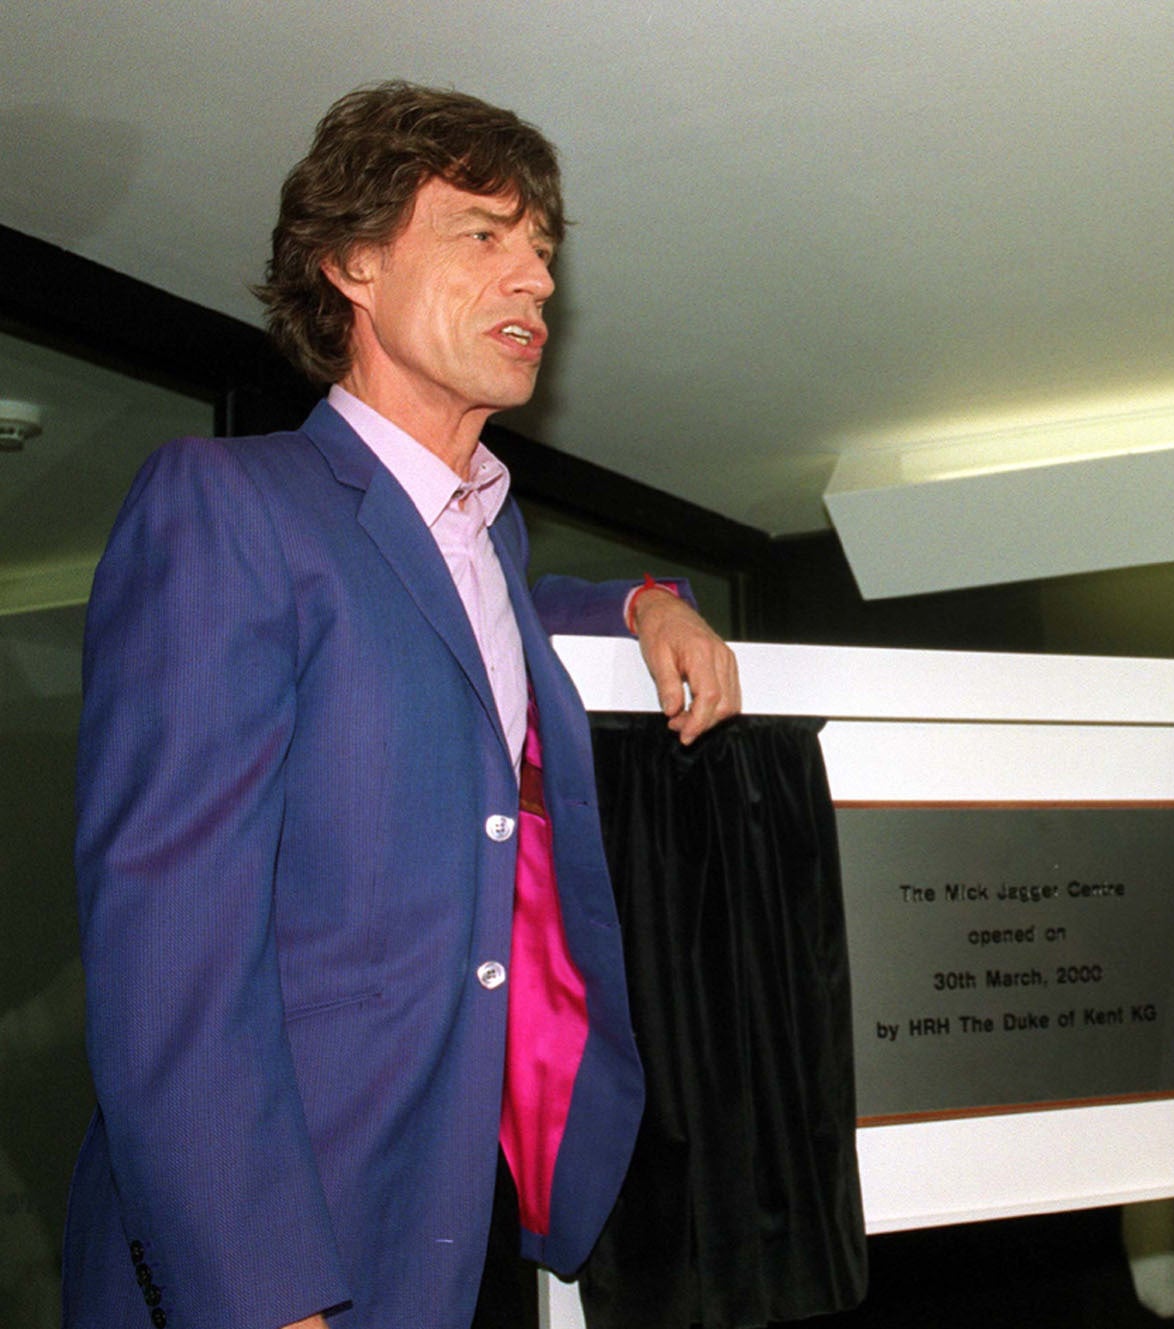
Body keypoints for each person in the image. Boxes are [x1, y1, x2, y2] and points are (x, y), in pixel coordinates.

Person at [63, 82, 740, 1329]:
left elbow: (503, 623)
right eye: (483, 234)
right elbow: (168, 945)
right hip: (274, 1247)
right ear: (353, 263)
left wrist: (648, 598)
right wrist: (259, 1291)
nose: (532, 281)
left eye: (541, 252)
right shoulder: (229, 505)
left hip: (459, 1226)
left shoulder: (488, 544)